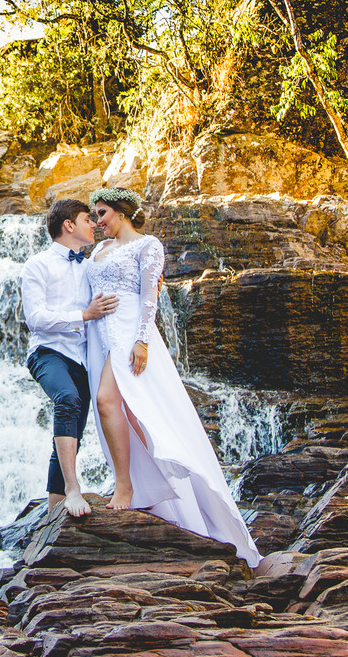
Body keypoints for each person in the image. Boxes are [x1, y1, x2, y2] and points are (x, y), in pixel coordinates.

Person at [85, 187, 260, 567]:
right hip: (100, 335)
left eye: (102, 213)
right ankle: (152, 485)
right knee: (129, 413)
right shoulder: (97, 252)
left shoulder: (147, 245)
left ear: (122, 212)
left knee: (109, 401)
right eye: (95, 215)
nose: (98, 221)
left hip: (131, 331)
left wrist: (143, 340)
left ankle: (126, 486)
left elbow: (150, 295)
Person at [19, 199, 118, 517]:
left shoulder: (90, 267)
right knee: (67, 399)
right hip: (47, 352)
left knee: (72, 427)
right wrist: (83, 315)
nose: (94, 224)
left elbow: (123, 286)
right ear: (69, 225)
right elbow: (35, 318)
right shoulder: (37, 265)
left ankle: (52, 514)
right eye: (88, 218)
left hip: (84, 359)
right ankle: (74, 490)